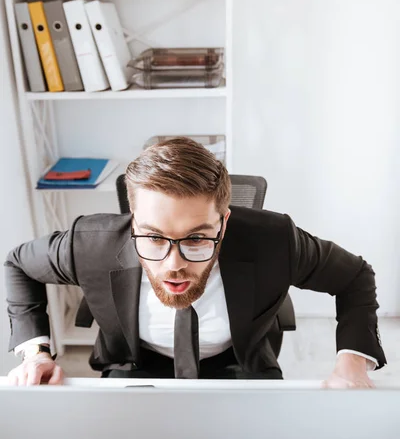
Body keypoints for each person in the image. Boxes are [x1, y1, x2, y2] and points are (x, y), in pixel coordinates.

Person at [5, 137, 386, 386]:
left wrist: (353, 358)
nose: (174, 264)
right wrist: (36, 351)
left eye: (198, 238)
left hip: (238, 363)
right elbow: (18, 264)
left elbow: (354, 277)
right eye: (154, 237)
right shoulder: (90, 243)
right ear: (132, 219)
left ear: (224, 222)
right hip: (135, 365)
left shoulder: (274, 240)